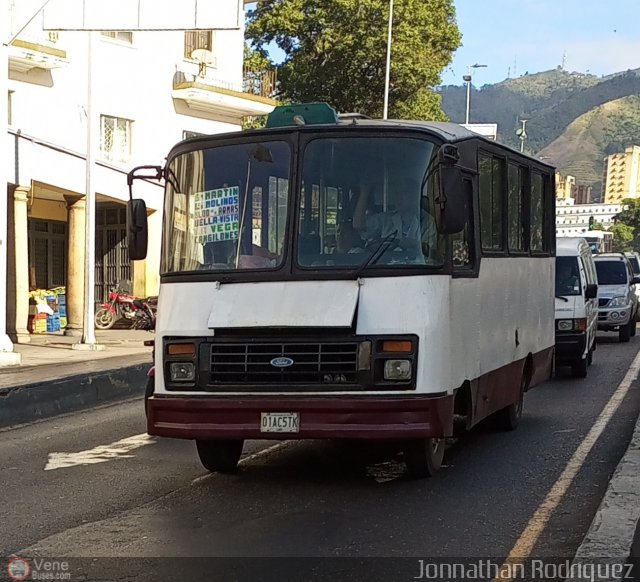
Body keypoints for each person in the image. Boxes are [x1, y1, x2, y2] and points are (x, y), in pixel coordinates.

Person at [353, 177, 438, 261]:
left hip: (416, 270)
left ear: (415, 196)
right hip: (389, 269)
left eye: (404, 193)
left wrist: (414, 244)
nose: (399, 198)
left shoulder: (427, 221)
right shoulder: (386, 218)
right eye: (397, 193)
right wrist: (364, 193)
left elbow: (431, 254)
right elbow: (359, 225)